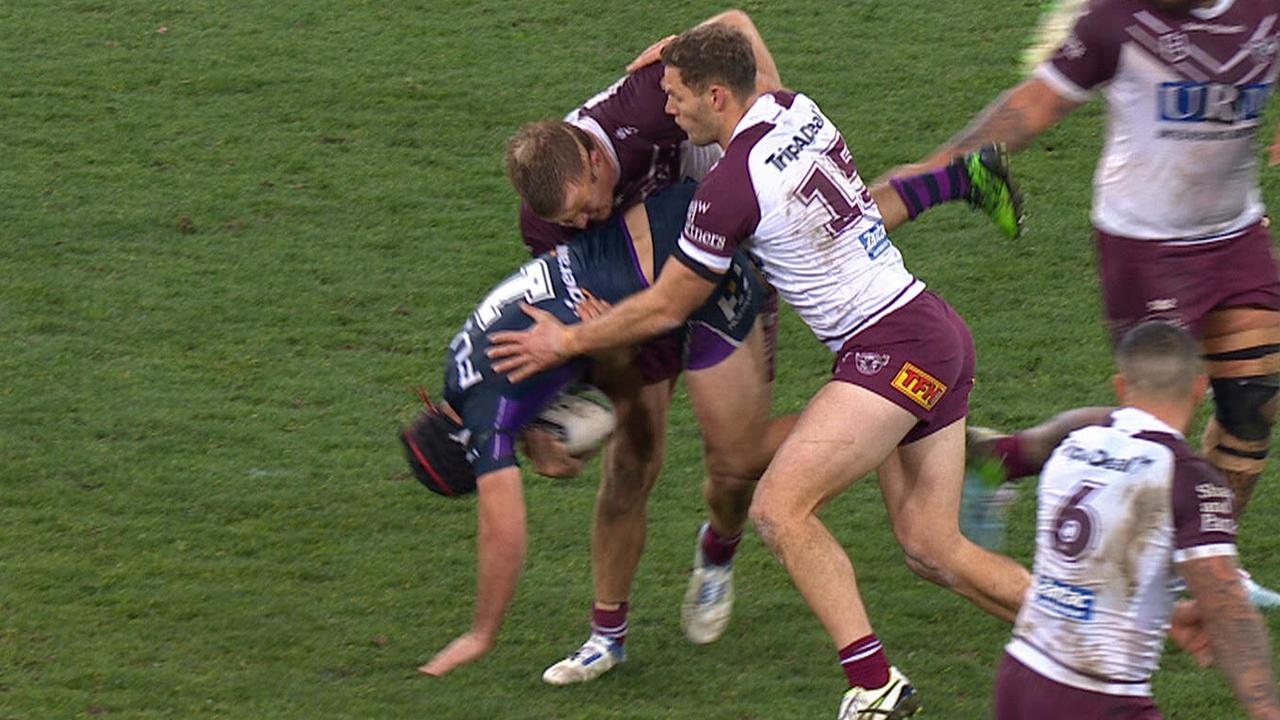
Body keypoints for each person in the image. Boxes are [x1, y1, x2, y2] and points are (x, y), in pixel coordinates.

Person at [487, 24, 1031, 719]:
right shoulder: (794, 109)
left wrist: (570, 342)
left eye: (681, 95)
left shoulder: (727, 190)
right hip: (923, 328)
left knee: (778, 507)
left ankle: (875, 686)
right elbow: (847, 198)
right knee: (931, 548)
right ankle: (1088, 633)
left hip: (893, 348)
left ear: (717, 94)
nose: (671, 108)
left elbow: (668, 303)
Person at [907, 0, 1280, 600]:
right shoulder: (1116, 20)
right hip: (1145, 246)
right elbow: (1036, 103)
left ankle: (1207, 562)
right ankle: (1003, 456)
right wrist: (934, 170)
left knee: (1253, 403)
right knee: (1154, 425)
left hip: (1235, 233)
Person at [408, 182, 791, 677]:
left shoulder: (485, 426)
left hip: (698, 277)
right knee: (630, 466)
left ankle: (875, 400)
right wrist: (537, 424)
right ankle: (607, 637)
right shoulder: (458, 370)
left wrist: (481, 634)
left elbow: (503, 534)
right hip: (648, 255)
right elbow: (539, 367)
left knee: (737, 462)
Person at [994, 321, 1280, 720]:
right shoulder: (1190, 479)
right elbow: (1231, 615)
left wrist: (1166, 616)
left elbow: (1089, 578)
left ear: (1122, 387)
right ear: (1199, 389)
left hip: (1019, 677)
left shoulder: (1074, 442)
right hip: (1100, 697)